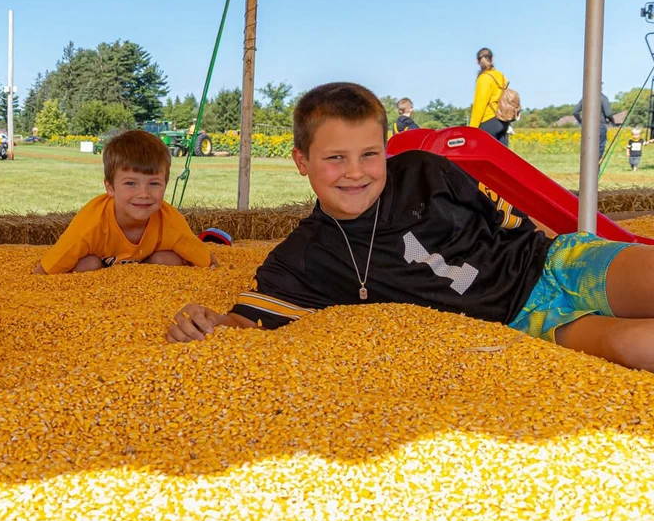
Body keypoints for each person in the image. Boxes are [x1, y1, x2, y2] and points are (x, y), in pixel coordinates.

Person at [167, 81, 654, 373]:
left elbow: (509, 220)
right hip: (520, 323)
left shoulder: (427, 169)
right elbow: (248, 322)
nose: (355, 172)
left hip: (555, 263)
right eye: (335, 158)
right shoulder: (304, 258)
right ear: (301, 160)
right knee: (631, 346)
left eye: (369, 154)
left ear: (386, 148)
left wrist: (551, 251)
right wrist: (205, 321)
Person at [35, 129, 217, 274]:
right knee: (86, 265)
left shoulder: (170, 221)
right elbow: (47, 269)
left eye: (154, 183)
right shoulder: (90, 223)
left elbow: (208, 262)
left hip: (147, 266)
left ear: (165, 185)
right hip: (100, 270)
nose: (144, 194)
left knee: (169, 261)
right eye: (131, 183)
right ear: (110, 188)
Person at [469, 48, 512, 146]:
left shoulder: (484, 79)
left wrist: (472, 129)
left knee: (482, 156)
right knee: (502, 157)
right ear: (492, 59)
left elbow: (479, 106)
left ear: (477, 62)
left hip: (488, 121)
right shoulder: (500, 76)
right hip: (503, 120)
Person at [572, 89, 614, 159]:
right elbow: (608, 113)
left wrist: (582, 122)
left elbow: (575, 112)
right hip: (600, 126)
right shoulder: (603, 98)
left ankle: (588, 166)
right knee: (599, 147)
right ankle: (595, 166)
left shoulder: (585, 98)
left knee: (588, 147)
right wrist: (612, 121)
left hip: (587, 127)